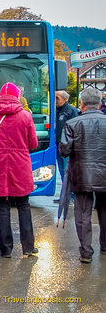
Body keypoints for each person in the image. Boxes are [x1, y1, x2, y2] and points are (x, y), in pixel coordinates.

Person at [0, 82, 38, 258]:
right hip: (20, 164)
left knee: (3, 206)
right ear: (17, 96)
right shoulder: (25, 116)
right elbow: (33, 143)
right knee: (23, 205)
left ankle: (6, 249)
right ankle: (28, 246)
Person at [59, 87, 106, 263]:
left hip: (81, 174)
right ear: (100, 103)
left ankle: (86, 252)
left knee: (83, 213)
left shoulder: (72, 123)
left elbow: (64, 151)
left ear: (82, 104)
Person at [54, 90, 79, 203]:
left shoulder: (71, 111)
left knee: (67, 172)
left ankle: (71, 195)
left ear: (64, 99)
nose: (55, 100)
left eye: (57, 98)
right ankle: (65, 195)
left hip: (67, 146)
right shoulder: (56, 111)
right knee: (62, 172)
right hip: (58, 145)